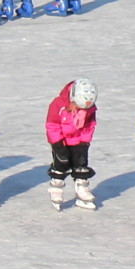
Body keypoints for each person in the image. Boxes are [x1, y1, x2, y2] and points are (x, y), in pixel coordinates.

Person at [45, 78, 99, 211]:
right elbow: (52, 125)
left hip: (78, 140)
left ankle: (82, 189)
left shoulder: (90, 109)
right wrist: (57, 144)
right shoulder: (58, 105)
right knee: (61, 163)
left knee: (81, 164)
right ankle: (56, 188)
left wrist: (84, 142)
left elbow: (89, 126)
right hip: (61, 141)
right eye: (79, 107)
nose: (81, 110)